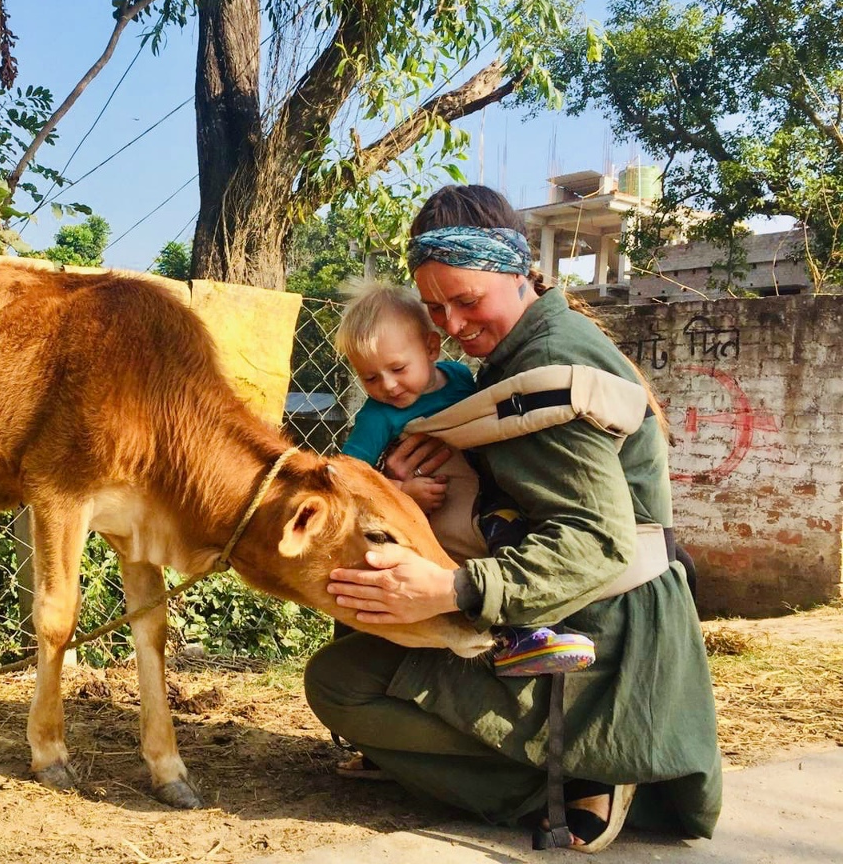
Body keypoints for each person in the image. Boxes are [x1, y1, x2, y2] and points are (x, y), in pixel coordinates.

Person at [305, 185, 721, 853]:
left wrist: (451, 591)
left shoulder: (550, 364)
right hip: (561, 611)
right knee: (354, 654)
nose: (454, 325)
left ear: (516, 270)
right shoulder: (517, 354)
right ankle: (565, 765)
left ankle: (581, 774)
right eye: (437, 308)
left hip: (602, 640)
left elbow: (598, 543)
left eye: (467, 300)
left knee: (338, 683)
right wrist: (410, 491)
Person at [333, 281, 597, 678]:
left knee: (518, 540)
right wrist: (401, 492)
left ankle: (533, 627)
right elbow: (349, 477)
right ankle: (520, 635)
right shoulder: (378, 417)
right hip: (444, 515)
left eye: (398, 369)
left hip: (489, 490)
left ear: (431, 348)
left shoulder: (459, 378)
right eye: (369, 378)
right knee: (497, 537)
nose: (387, 386)